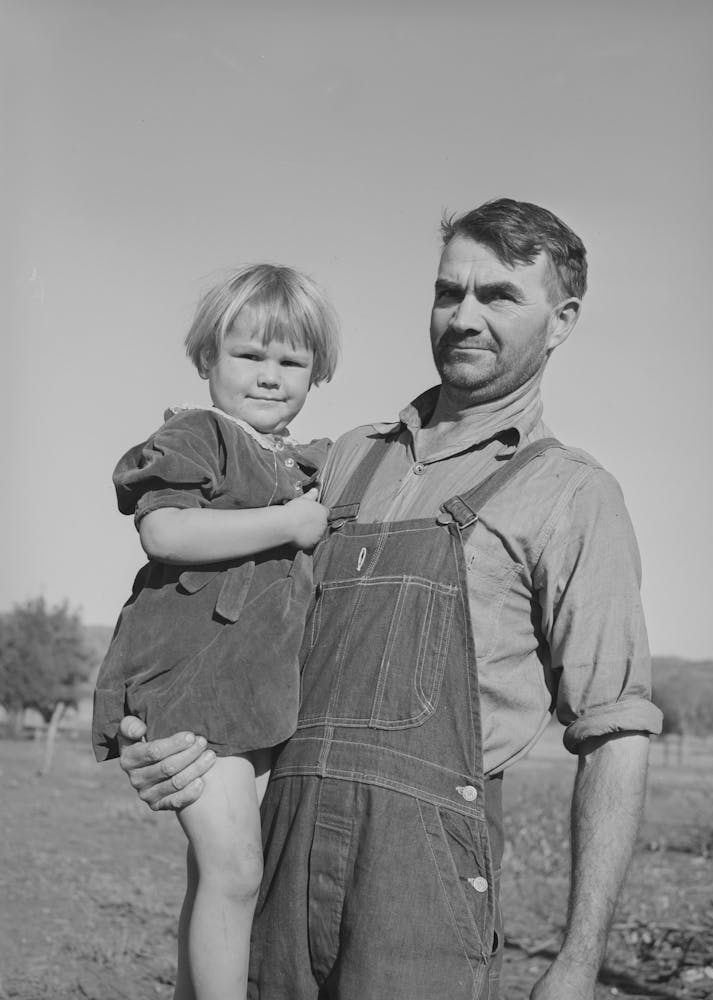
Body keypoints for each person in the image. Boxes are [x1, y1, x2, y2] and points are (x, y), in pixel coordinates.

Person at [116, 198, 663, 1000]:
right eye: (450, 292)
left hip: (423, 887)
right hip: (281, 860)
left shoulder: (574, 497)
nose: (465, 316)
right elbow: (207, 604)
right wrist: (160, 732)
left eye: (501, 296)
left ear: (562, 320)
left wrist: (578, 962)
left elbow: (616, 731)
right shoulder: (335, 463)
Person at [92, 263, 339, 1000]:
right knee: (235, 873)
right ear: (207, 359)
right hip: (192, 684)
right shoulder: (198, 435)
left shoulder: (298, 461)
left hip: (249, 697)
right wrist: (290, 522)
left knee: (216, 874)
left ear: (315, 372)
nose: (270, 375)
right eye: (249, 355)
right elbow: (164, 533)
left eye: (291, 361)